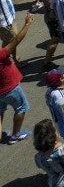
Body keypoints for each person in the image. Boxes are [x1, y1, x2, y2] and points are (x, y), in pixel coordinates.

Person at [0, 13, 34, 144]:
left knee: (0, 112)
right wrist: (27, 23)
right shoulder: (1, 54)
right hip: (10, 88)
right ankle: (15, 135)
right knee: (21, 108)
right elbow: (16, 40)